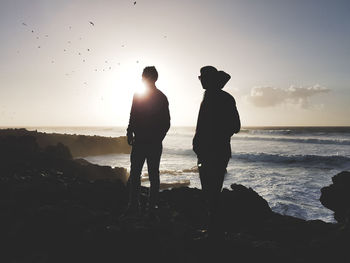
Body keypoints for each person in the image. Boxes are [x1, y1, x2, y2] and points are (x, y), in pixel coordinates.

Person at [193, 66, 240, 236]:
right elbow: (234, 126)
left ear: (211, 79)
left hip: (214, 152)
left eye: (203, 77)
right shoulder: (212, 97)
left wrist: (215, 136)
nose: (201, 80)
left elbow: (236, 126)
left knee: (211, 190)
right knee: (210, 190)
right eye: (200, 77)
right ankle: (213, 227)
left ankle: (214, 230)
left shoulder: (222, 98)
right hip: (210, 151)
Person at [125, 66, 170, 216]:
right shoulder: (154, 96)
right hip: (146, 141)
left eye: (144, 76)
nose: (143, 79)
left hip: (148, 141)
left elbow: (166, 122)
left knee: (143, 174)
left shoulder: (157, 97)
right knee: (147, 174)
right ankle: (141, 206)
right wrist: (130, 131)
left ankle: (140, 206)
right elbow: (133, 115)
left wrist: (131, 132)